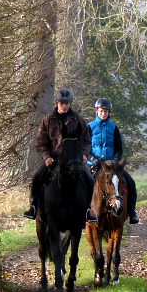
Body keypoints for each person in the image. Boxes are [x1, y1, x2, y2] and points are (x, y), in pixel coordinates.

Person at [23, 88, 97, 222]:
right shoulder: (48, 119)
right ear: (57, 103)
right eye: (62, 103)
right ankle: (33, 207)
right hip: (54, 159)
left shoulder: (78, 119)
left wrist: (85, 155)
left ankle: (87, 210)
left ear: (70, 104)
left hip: (73, 160)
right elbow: (41, 143)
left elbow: (86, 141)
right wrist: (46, 157)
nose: (64, 106)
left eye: (67, 103)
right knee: (36, 177)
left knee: (90, 180)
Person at [87, 97, 140, 224]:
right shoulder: (89, 127)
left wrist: (116, 159)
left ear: (109, 113)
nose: (103, 114)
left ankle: (132, 212)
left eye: (106, 112)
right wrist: (92, 158)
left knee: (130, 182)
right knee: (83, 184)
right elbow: (85, 146)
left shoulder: (114, 127)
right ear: (96, 111)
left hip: (111, 165)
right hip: (93, 163)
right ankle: (83, 212)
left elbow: (119, 148)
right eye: (101, 111)